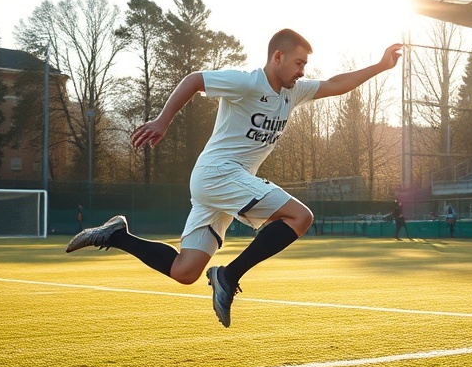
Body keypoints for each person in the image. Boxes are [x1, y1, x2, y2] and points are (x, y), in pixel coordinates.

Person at [65, 29, 402, 327]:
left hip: (222, 184)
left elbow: (334, 85)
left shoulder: (291, 92)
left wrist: (380, 65)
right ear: (278, 56)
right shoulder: (248, 82)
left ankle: (117, 235)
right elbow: (195, 80)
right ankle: (228, 275)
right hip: (219, 174)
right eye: (298, 63)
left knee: (185, 271)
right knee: (300, 216)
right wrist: (163, 120)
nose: (303, 71)